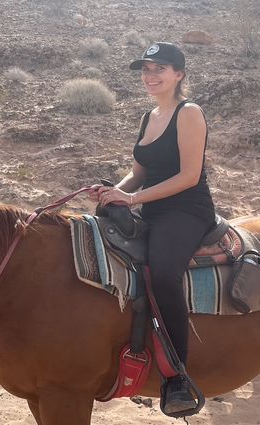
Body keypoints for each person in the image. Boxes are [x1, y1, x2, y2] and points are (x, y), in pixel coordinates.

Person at [93, 42, 216, 413]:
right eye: (146, 69)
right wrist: (116, 191)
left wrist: (132, 200)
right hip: (151, 207)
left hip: (186, 211)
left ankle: (177, 376)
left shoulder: (188, 113)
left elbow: (189, 175)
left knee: (162, 274)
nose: (150, 76)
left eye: (159, 68)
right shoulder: (149, 117)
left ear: (179, 74)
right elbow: (141, 172)